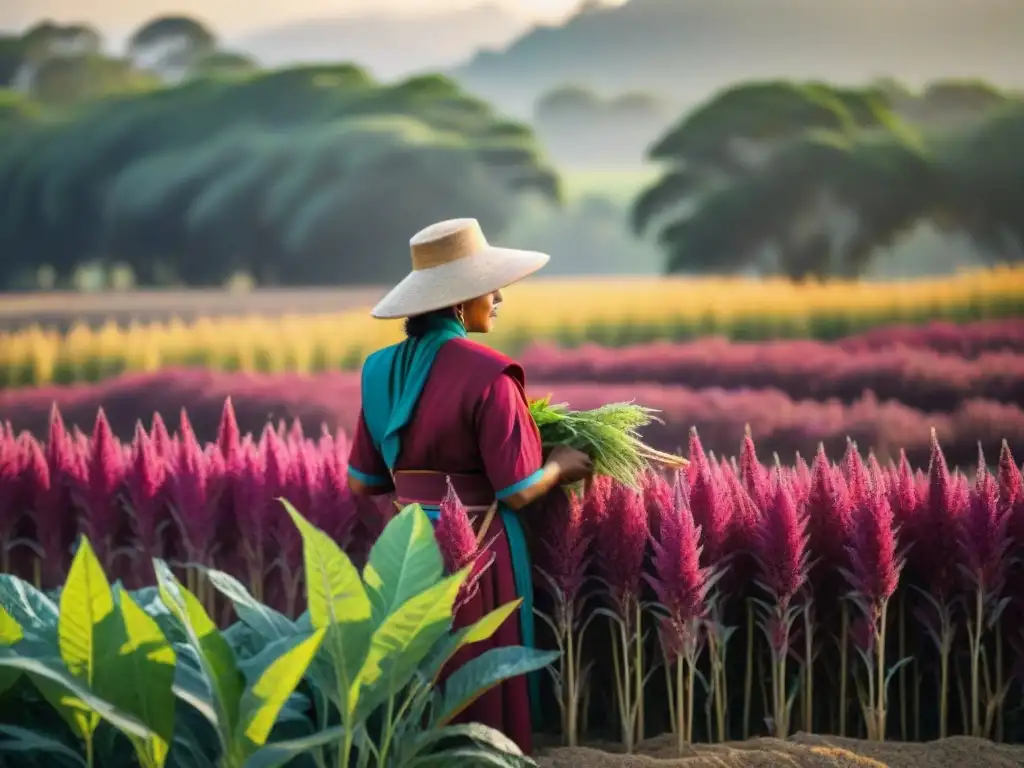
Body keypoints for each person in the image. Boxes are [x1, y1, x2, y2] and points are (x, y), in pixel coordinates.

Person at [346, 218, 593, 754]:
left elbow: (363, 480)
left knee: (412, 676)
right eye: (490, 286)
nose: (500, 296)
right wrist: (563, 464)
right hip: (476, 550)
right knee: (474, 679)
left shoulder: (376, 369)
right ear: (460, 302)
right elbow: (520, 489)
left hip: (403, 552)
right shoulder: (491, 373)